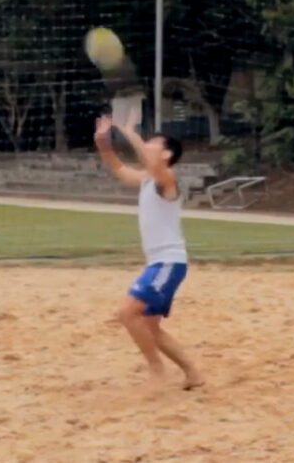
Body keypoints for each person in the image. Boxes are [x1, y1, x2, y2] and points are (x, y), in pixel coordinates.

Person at [94, 114, 202, 390]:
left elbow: (152, 163)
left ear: (167, 153)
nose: (149, 146)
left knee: (127, 313)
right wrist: (105, 147)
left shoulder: (167, 178)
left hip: (169, 262)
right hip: (158, 263)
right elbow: (120, 170)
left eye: (155, 143)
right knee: (150, 328)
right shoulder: (147, 180)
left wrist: (130, 133)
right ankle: (193, 374)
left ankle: (156, 370)